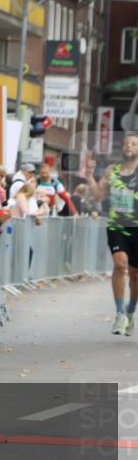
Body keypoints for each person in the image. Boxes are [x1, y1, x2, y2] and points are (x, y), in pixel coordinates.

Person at [87, 133, 138, 336]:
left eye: (134, 143)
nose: (129, 146)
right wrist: (90, 176)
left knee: (135, 275)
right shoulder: (112, 171)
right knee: (120, 264)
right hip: (117, 225)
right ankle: (119, 313)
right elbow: (98, 195)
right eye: (126, 143)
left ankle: (131, 311)